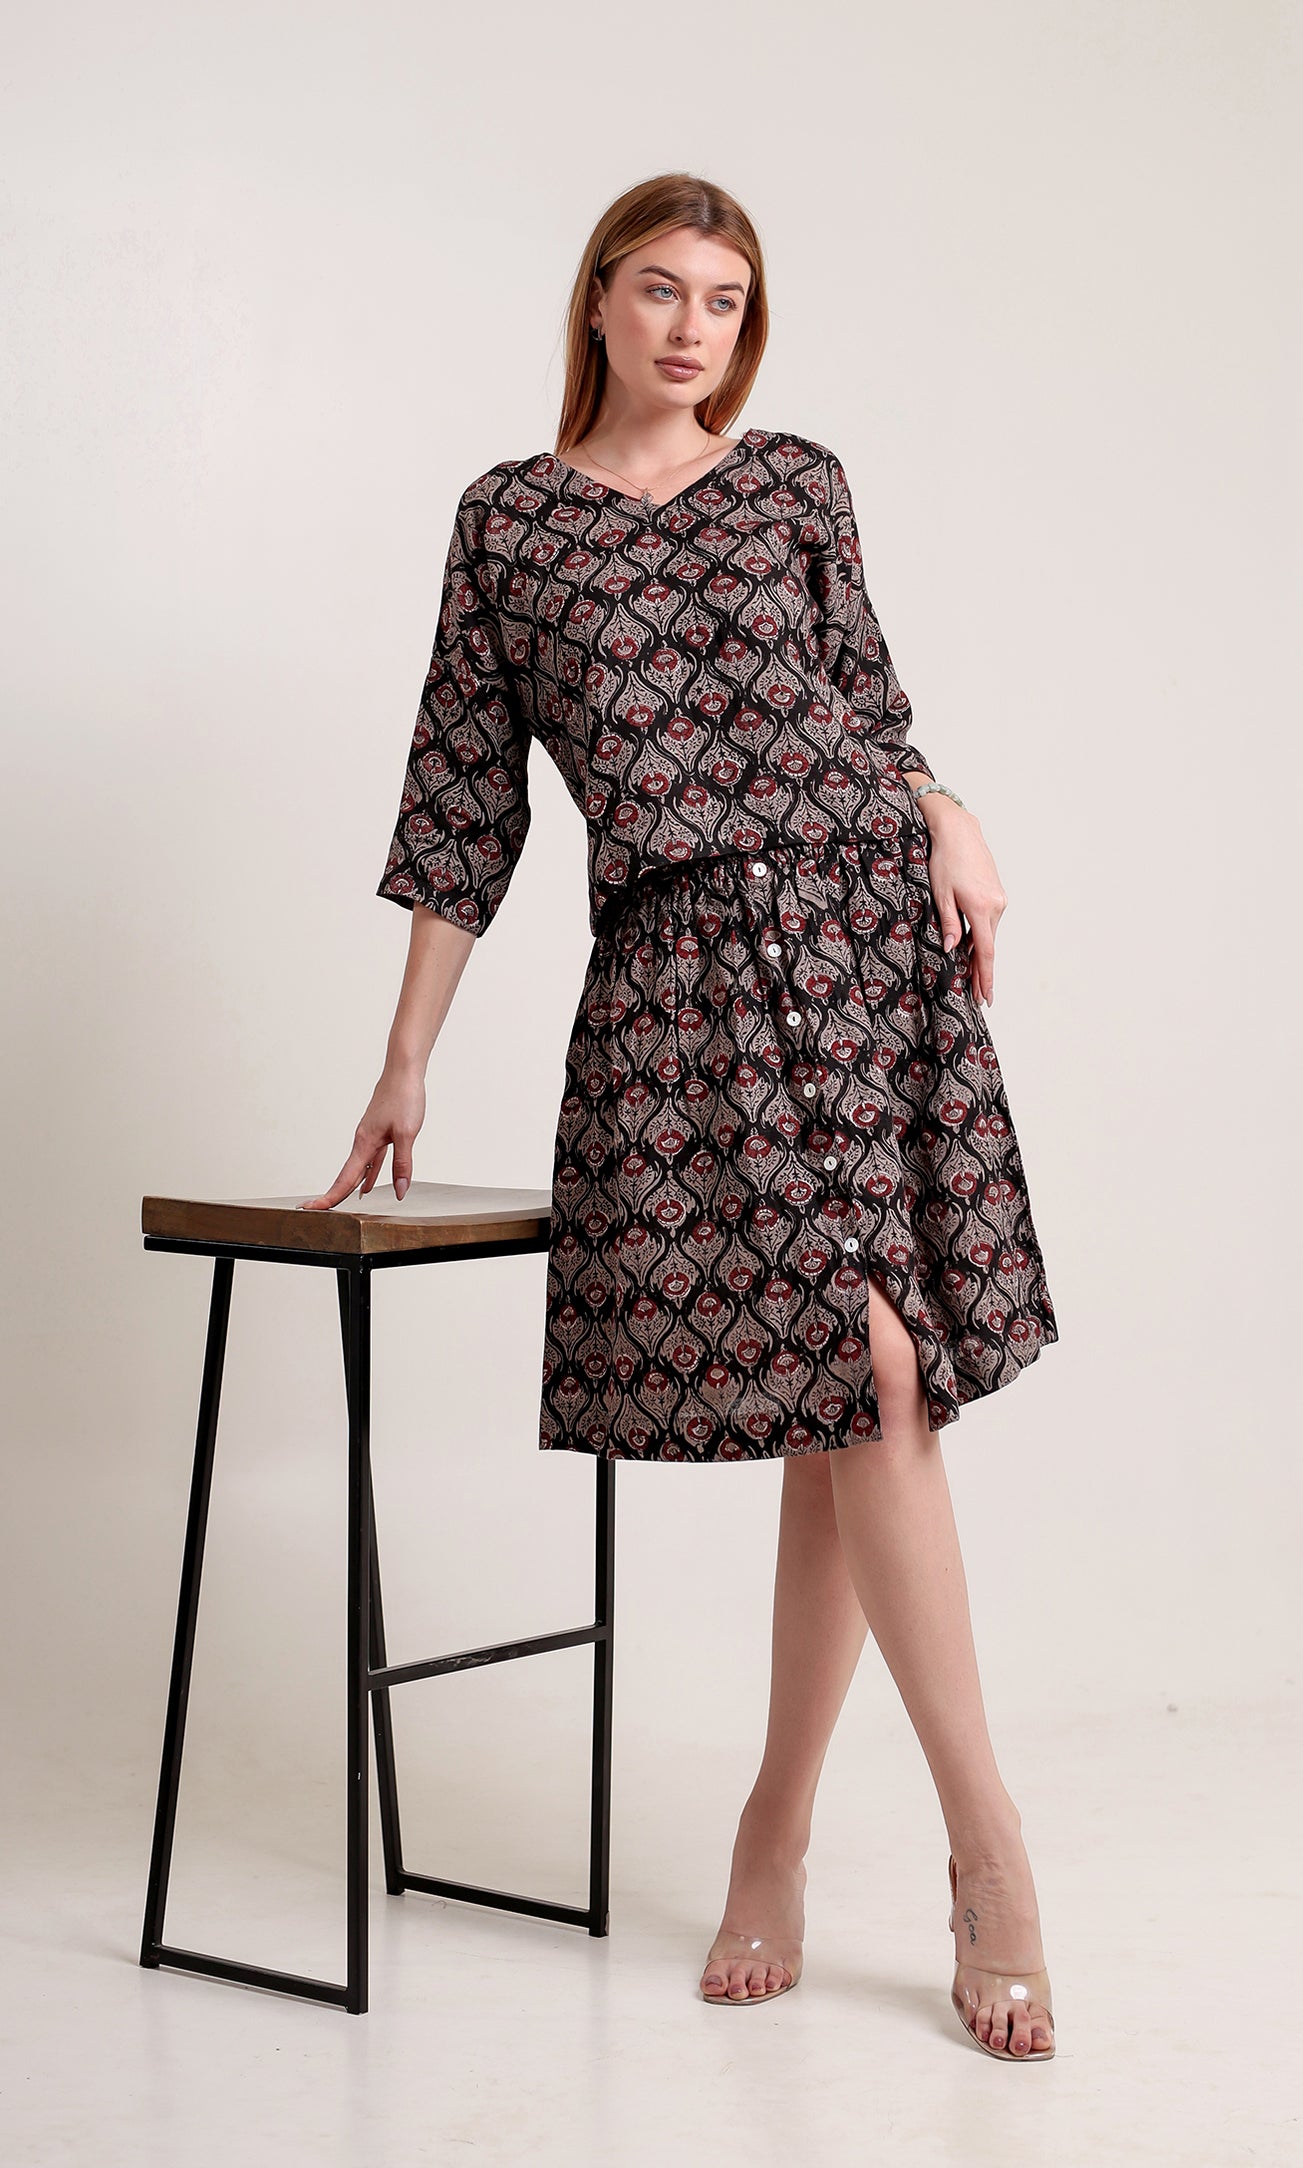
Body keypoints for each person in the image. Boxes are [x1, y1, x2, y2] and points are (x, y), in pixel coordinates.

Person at [303, 172, 1060, 2061]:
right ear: (598, 303)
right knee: (852, 1385)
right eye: (659, 289)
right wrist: (406, 1058)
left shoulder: (796, 481)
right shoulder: (510, 526)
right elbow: (461, 809)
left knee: (863, 1387)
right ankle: (863, 1834)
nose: (691, 327)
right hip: (684, 991)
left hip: (865, 944)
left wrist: (947, 808)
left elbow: (863, 707)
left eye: (724, 298)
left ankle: (901, 1845)